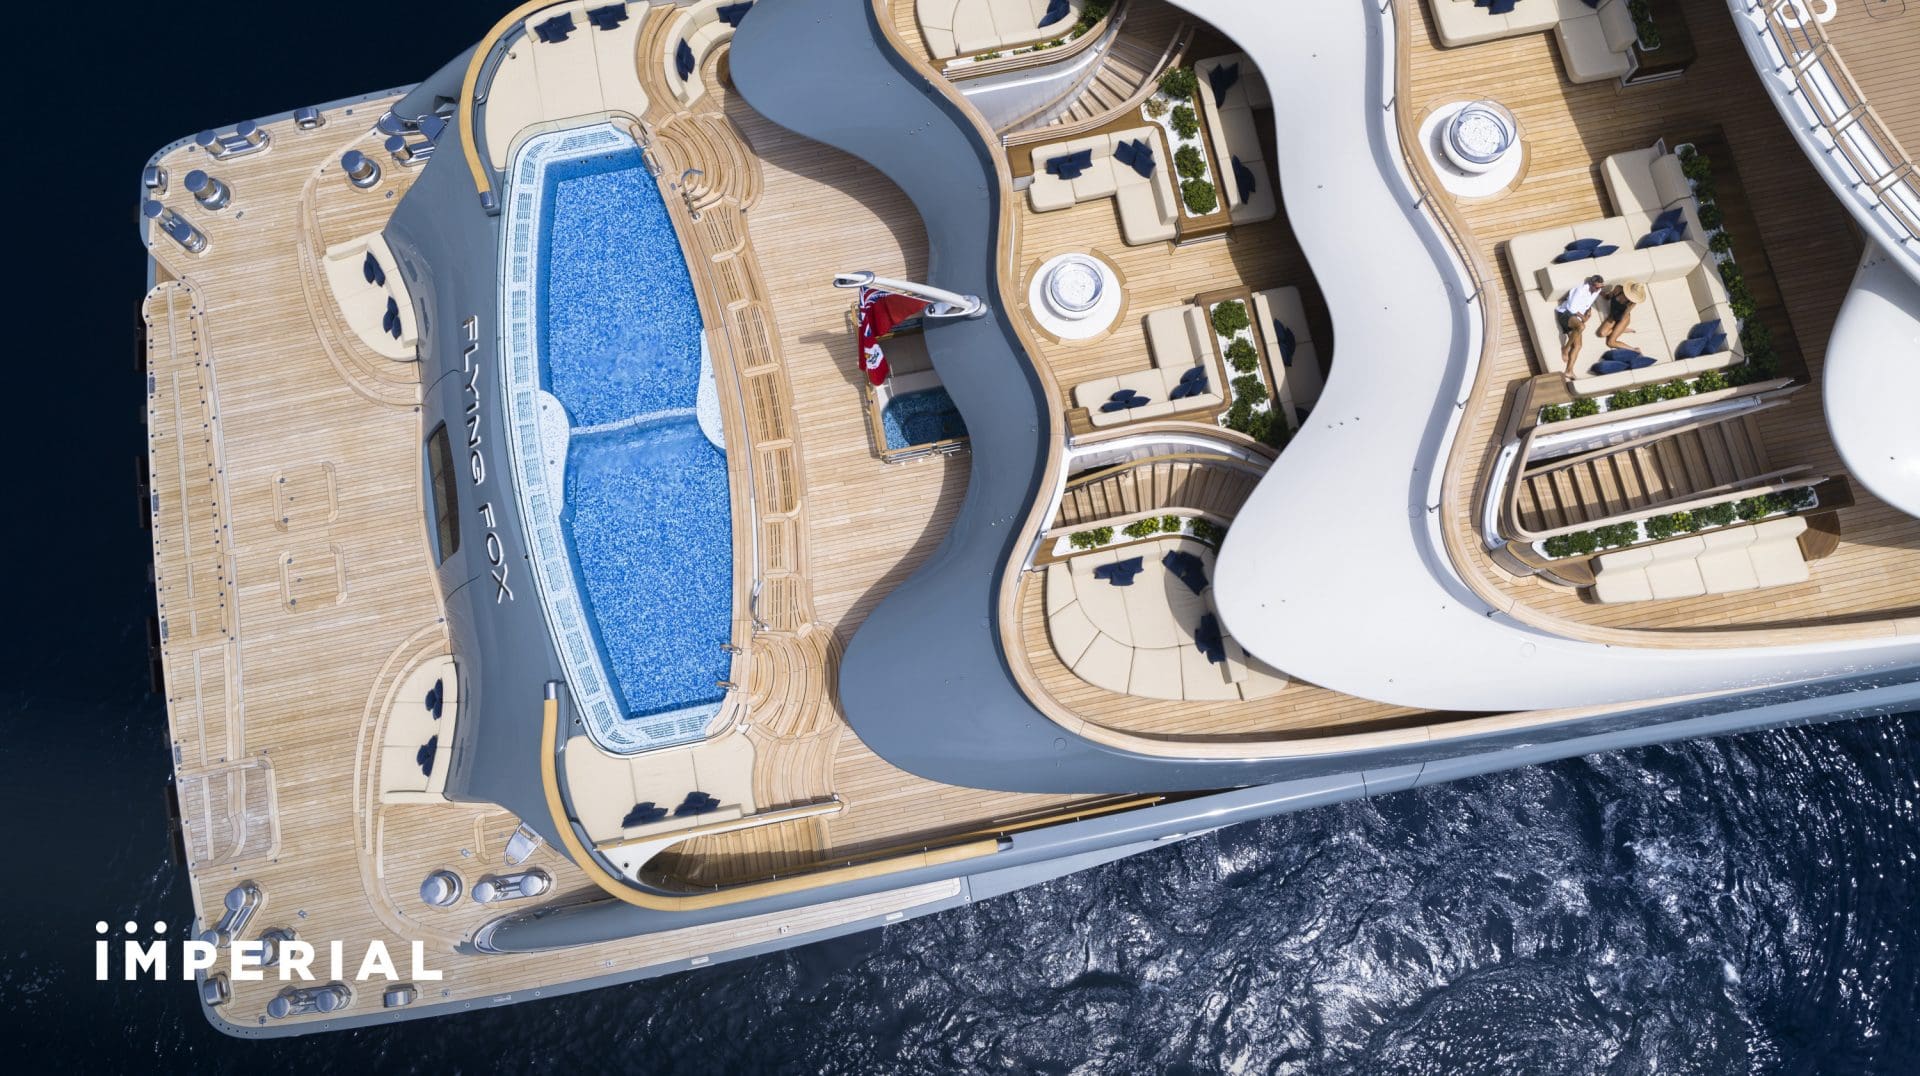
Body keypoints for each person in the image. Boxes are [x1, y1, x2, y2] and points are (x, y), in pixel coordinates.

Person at [1554, 275, 1606, 373]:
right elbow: (1571, 308)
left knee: (1578, 345)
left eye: (1601, 286)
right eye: (1597, 287)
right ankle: (1565, 349)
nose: (1599, 289)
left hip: (1575, 319)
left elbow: (1588, 303)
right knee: (1581, 326)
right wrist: (1583, 317)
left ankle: (1569, 371)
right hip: (1565, 313)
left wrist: (1589, 310)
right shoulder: (1580, 291)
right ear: (1591, 285)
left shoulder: (1597, 290)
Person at [1595, 279, 1648, 349]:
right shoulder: (1618, 289)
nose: (1630, 298)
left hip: (1623, 319)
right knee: (1601, 333)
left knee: (1610, 343)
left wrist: (1617, 325)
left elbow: (1624, 315)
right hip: (1613, 315)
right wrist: (1599, 291)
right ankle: (1621, 330)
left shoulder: (1632, 303)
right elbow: (1608, 297)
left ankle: (1634, 349)